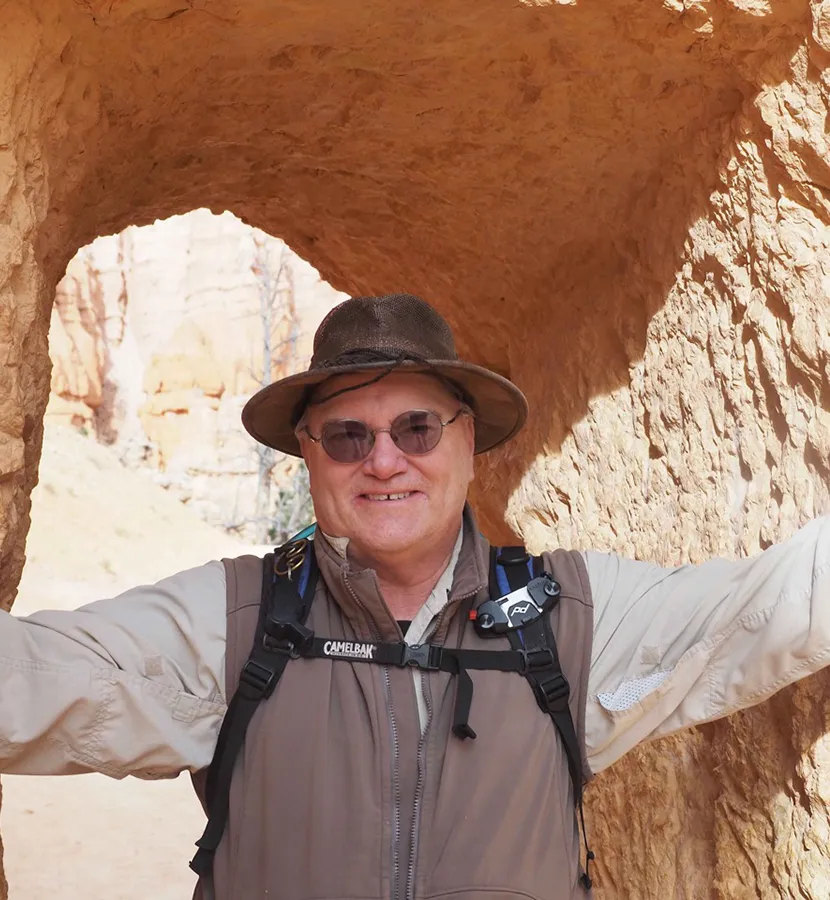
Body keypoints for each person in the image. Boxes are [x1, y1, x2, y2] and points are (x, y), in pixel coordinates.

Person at [1, 293, 827, 900]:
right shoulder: (235, 623)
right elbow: (35, 678)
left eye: (417, 429)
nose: (385, 461)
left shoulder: (568, 616)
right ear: (310, 454)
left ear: (468, 442)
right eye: (349, 435)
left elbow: (769, 608)